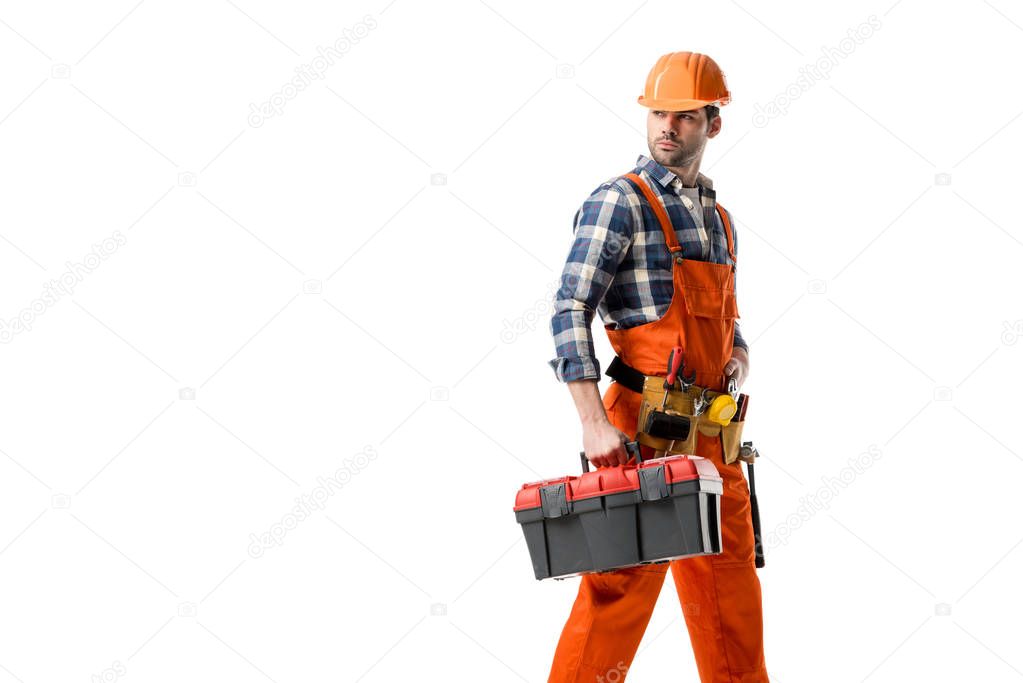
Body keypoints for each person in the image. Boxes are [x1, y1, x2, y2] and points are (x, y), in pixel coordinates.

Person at [546, 51, 768, 682]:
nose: (667, 126)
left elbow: (728, 319)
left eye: (684, 115)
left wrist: (739, 359)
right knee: (618, 589)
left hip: (714, 435)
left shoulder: (718, 218)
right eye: (658, 113)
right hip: (641, 430)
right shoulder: (620, 201)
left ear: (712, 124)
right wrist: (593, 423)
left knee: (730, 590)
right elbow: (569, 308)